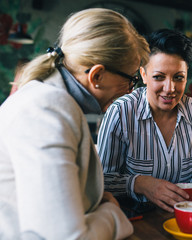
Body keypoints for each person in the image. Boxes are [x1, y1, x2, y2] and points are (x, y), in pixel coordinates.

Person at [0, 8, 149, 239]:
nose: (131, 91)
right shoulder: (48, 110)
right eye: (132, 80)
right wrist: (112, 213)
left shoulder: (50, 100)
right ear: (97, 75)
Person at [97, 28, 192, 213]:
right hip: (135, 218)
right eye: (159, 77)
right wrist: (140, 183)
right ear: (143, 74)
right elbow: (101, 181)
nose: (170, 88)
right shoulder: (121, 111)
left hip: (185, 215)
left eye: (178, 78)